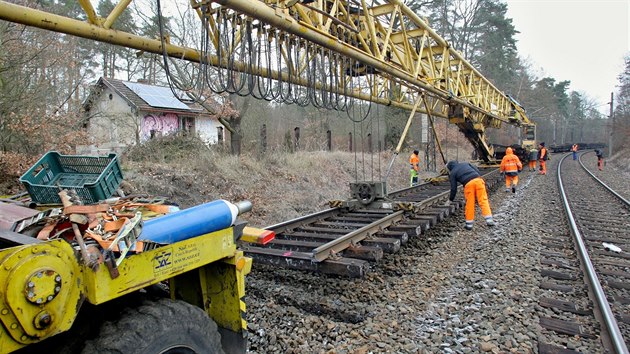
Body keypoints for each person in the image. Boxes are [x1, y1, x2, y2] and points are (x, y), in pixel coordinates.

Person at [445, 160, 495, 230]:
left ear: (450, 168)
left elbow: (454, 188)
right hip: (478, 180)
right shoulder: (466, 163)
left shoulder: (453, 173)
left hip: (468, 185)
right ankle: (489, 220)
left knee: (470, 204)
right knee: (483, 200)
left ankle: (469, 225)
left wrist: (450, 199)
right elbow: (477, 170)